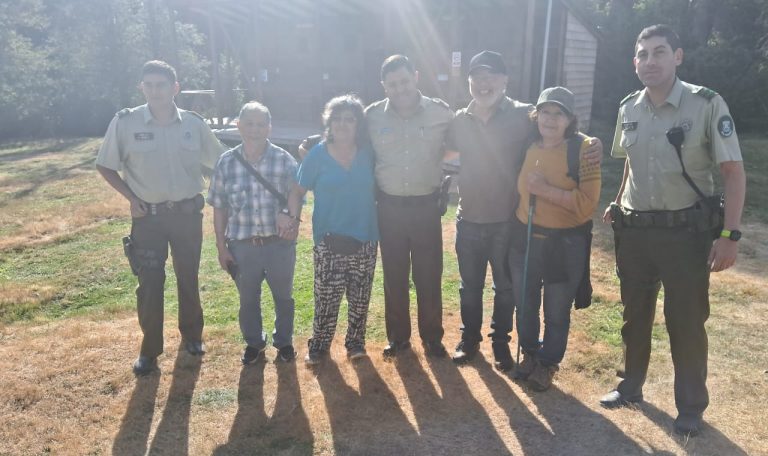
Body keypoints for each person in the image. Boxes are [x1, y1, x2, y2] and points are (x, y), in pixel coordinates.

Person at [599, 25, 746, 437]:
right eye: (643, 54)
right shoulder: (629, 107)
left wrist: (730, 235)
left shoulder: (706, 104)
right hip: (635, 233)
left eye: (659, 52)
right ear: (634, 62)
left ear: (677, 57)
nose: (650, 61)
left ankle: (690, 407)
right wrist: (617, 198)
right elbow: (630, 160)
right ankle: (630, 385)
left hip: (685, 235)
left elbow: (733, 174)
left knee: (685, 321)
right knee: (634, 316)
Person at [445, 51, 603, 371]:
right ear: (469, 82)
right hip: (469, 217)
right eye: (477, 77)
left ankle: (501, 342)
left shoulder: (521, 115)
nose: (483, 83)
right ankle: (469, 339)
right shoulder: (459, 119)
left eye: (491, 76)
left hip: (507, 221)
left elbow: (557, 127)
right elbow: (442, 151)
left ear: (505, 81)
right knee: (469, 287)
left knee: (505, 289)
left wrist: (590, 142)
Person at [96, 60, 224, 375]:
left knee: (188, 278)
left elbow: (220, 163)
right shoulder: (126, 123)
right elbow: (105, 165)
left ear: (175, 88)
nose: (155, 91)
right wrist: (131, 198)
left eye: (162, 85)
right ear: (142, 87)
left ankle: (192, 336)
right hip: (148, 219)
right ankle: (149, 350)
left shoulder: (194, 125)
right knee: (150, 284)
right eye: (149, 85)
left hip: (186, 217)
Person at [510, 86, 601, 391]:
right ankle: (530, 354)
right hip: (526, 239)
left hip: (564, 244)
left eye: (558, 113)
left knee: (556, 310)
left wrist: (545, 191)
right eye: (545, 112)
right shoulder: (527, 144)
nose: (550, 119)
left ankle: (548, 363)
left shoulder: (585, 150)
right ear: (536, 115)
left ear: (570, 118)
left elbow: (587, 205)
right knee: (525, 304)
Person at [366, 55, 454, 359]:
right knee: (394, 275)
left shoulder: (441, 113)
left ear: (415, 76)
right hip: (388, 208)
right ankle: (398, 338)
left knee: (429, 275)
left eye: (404, 80)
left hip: (425, 207)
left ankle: (432, 338)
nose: (400, 88)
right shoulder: (372, 116)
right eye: (392, 84)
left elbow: (462, 142)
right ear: (384, 86)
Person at [207, 101, 302, 365]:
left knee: (284, 297)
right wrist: (221, 247)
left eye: (261, 124)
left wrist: (292, 218)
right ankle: (254, 343)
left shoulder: (284, 160)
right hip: (243, 246)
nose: (255, 130)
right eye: (249, 123)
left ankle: (284, 342)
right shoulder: (226, 163)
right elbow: (219, 207)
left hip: (278, 244)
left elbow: (296, 195)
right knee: (248, 299)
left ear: (269, 128)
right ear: (238, 126)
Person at [296, 95, 379, 365]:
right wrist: (291, 219)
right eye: (337, 119)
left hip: (365, 238)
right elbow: (297, 191)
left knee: (360, 297)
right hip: (328, 240)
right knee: (326, 297)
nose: (343, 124)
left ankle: (356, 344)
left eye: (349, 119)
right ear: (328, 122)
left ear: (358, 124)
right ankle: (319, 345)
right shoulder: (317, 155)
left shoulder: (369, 154)